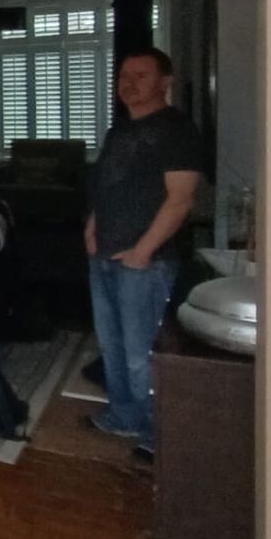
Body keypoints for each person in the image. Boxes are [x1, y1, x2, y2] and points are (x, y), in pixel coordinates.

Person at [85, 46, 203, 457]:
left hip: (145, 263)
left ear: (165, 82)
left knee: (142, 353)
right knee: (112, 345)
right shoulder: (119, 130)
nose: (128, 83)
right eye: (123, 76)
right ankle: (123, 416)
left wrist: (142, 252)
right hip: (104, 256)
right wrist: (93, 224)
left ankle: (158, 434)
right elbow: (108, 184)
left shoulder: (177, 130)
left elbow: (181, 199)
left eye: (141, 75)